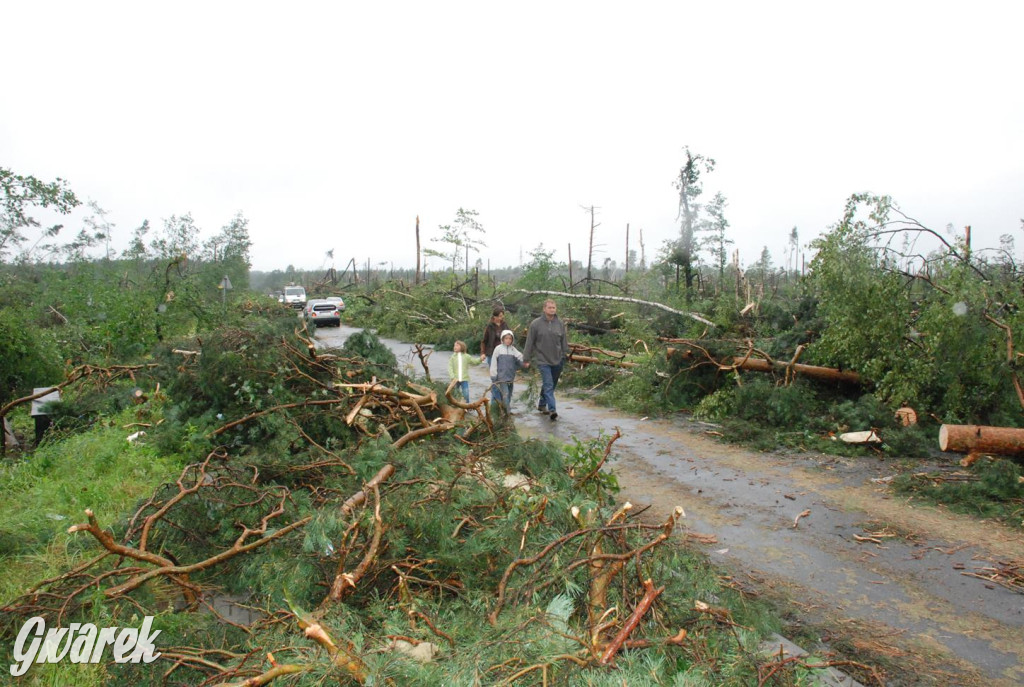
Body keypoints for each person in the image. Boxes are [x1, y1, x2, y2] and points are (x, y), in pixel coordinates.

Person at [523, 298, 569, 421]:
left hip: (557, 359)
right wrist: (526, 358)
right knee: (548, 384)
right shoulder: (536, 324)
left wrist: (565, 354)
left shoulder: (560, 323)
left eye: (554, 307)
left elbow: (563, 340)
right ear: (544, 309)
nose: (552, 310)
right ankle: (552, 409)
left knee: (551, 384)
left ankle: (542, 404)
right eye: (549, 307)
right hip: (543, 360)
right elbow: (530, 342)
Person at [489, 329, 527, 414]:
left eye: (510, 338)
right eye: (506, 338)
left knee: (509, 395)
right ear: (502, 339)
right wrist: (493, 376)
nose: (508, 340)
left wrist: (525, 363)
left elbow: (520, 357)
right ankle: (507, 413)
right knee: (505, 395)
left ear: (512, 340)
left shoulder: (513, 350)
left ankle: (504, 410)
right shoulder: (498, 349)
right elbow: (493, 363)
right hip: (501, 377)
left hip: (511, 377)